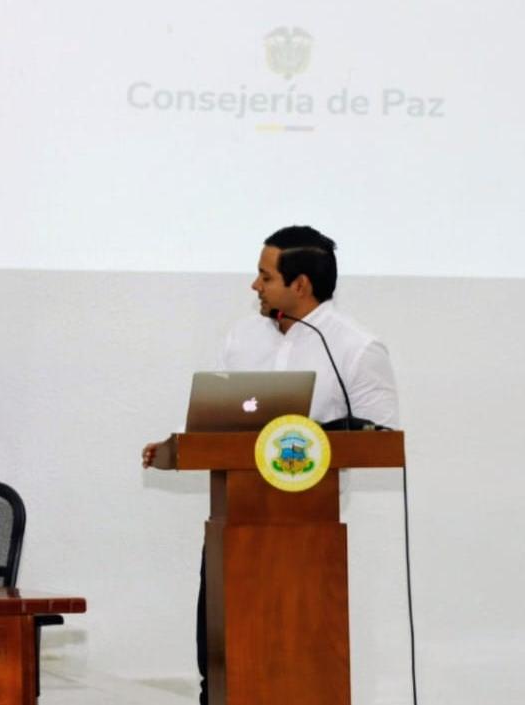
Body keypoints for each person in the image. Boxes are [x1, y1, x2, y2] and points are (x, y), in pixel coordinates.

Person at [140, 225, 400, 705]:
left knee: (299, 664)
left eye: (265, 276)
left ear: (300, 285)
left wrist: (312, 435)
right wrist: (177, 445)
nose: (254, 286)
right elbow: (216, 419)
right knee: (221, 665)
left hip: (307, 534)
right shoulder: (242, 337)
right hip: (235, 523)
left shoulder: (356, 347)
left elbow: (379, 436)